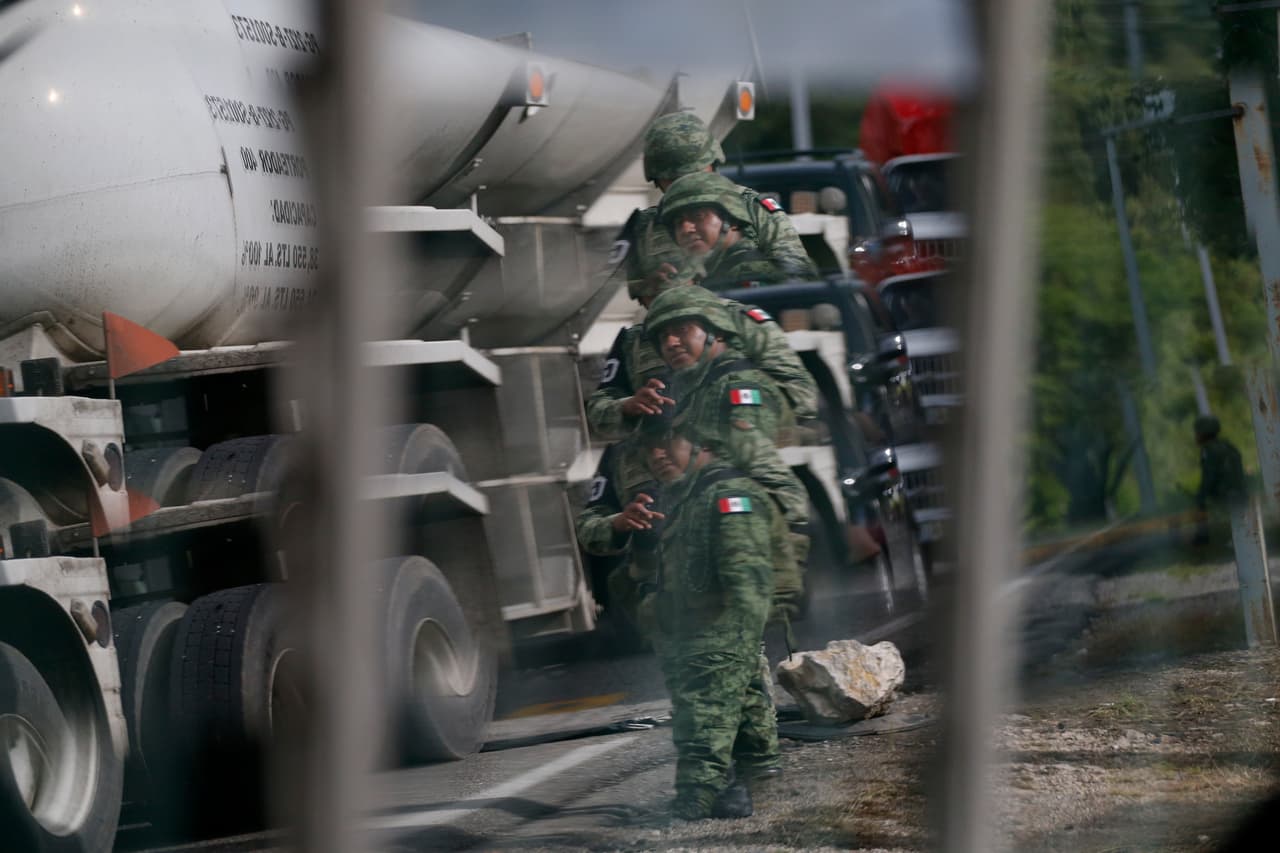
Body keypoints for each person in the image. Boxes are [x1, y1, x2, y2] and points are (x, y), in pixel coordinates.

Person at [643, 285, 808, 618]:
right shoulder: (688, 388)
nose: (671, 343)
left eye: (681, 330)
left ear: (714, 333)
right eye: (663, 337)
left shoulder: (737, 385)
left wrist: (787, 562)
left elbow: (761, 467)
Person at [643, 421, 779, 820]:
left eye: (667, 443)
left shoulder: (724, 492)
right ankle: (752, 773)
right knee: (741, 697)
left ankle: (699, 795)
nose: (657, 456)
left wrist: (728, 621)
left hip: (717, 621)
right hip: (708, 619)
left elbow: (741, 566)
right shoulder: (683, 495)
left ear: (700, 443)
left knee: (704, 706)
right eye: (649, 450)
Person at [621, 111, 818, 301]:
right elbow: (622, 295)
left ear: (712, 165)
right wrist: (655, 286)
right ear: (657, 179)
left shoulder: (752, 208)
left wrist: (741, 271)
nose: (686, 185)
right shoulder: (644, 227)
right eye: (674, 178)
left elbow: (798, 275)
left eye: (695, 174)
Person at [657, 171, 804, 291]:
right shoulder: (712, 271)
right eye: (678, 222)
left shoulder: (749, 271)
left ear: (732, 220)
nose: (685, 228)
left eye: (698, 216)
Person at [1193, 413, 1246, 545]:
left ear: (1202, 433)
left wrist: (1201, 495)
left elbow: (1209, 478)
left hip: (1225, 494)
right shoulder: (1228, 446)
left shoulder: (1208, 450)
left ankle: (1202, 537)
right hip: (1241, 492)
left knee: (1199, 502)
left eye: (1197, 432)